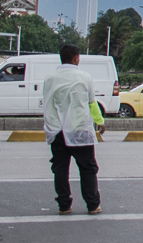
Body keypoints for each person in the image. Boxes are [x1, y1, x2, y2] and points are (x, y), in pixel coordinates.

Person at [42, 44, 104, 215]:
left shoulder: (50, 78)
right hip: (79, 129)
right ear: (76, 58)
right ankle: (92, 204)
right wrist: (100, 121)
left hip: (56, 130)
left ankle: (64, 205)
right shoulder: (84, 77)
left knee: (60, 169)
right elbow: (92, 103)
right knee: (88, 168)